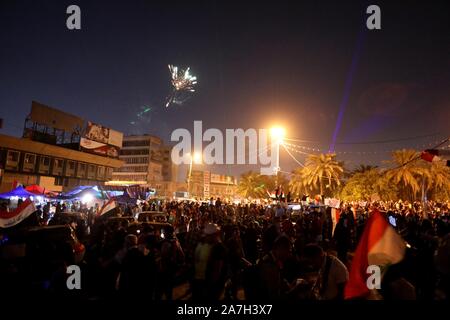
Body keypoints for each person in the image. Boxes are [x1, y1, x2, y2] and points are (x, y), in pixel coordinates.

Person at [193, 223, 227, 301]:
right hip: (205, 281)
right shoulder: (215, 246)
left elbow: (217, 269)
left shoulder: (216, 247)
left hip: (204, 281)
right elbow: (217, 269)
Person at [258, 235, 292, 300]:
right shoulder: (269, 264)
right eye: (288, 251)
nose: (288, 255)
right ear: (280, 248)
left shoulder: (275, 259)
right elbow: (273, 293)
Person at [157, 225, 184, 300]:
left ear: (167, 232)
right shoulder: (175, 240)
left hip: (165, 269)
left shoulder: (166, 243)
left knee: (160, 291)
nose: (163, 233)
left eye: (163, 231)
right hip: (172, 268)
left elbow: (163, 256)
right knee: (169, 290)